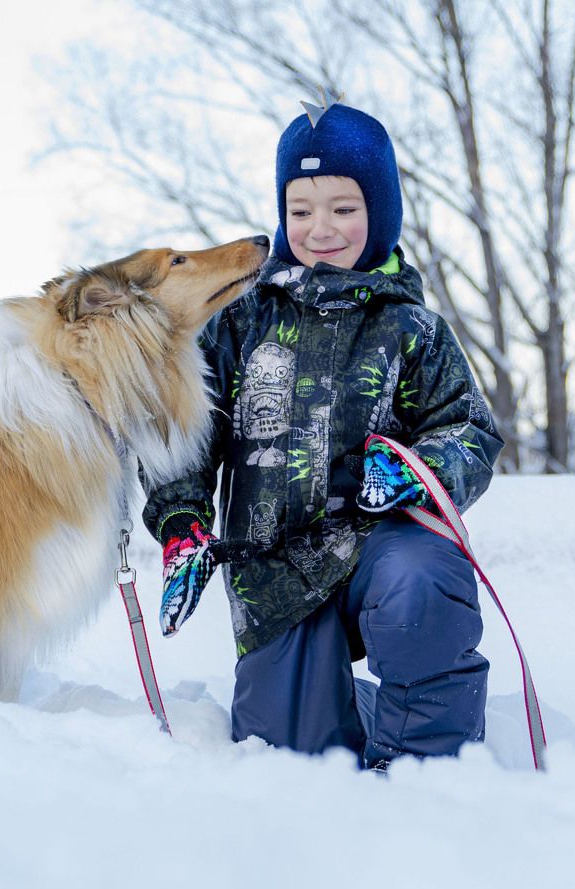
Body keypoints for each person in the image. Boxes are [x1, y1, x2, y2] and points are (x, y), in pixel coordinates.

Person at [142, 100, 504, 770]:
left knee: (421, 584)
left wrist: (418, 470)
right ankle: (354, 709)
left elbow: (470, 428)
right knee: (293, 755)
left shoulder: (412, 329)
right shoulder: (239, 320)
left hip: (381, 546)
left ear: (379, 212)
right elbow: (181, 433)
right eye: (301, 209)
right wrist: (182, 524)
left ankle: (432, 765)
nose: (321, 228)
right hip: (273, 567)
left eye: (343, 207)